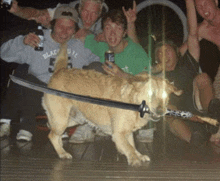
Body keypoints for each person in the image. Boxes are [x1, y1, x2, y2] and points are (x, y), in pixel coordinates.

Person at [0, 5, 100, 141]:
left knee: (94, 72)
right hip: (37, 95)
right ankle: (26, 126)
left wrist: (93, 39)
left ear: (76, 29)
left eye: (70, 28)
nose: (64, 32)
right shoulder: (38, 39)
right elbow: (4, 54)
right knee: (24, 74)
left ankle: (69, 125)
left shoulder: (80, 44)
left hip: (68, 98)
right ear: (52, 25)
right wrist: (22, 42)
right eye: (60, 26)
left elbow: (104, 60)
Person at [68, 9, 151, 143]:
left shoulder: (136, 52)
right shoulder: (101, 46)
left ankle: (144, 125)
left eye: (118, 29)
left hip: (131, 102)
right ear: (102, 32)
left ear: (125, 32)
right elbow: (78, 35)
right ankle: (88, 125)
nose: (112, 33)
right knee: (93, 68)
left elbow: (147, 83)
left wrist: (122, 74)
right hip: (111, 101)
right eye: (108, 28)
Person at [151, 0, 220, 156]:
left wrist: (189, 3)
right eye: (159, 53)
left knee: (203, 77)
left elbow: (193, 34)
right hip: (180, 118)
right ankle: (197, 141)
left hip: (200, 111)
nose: (164, 55)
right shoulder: (156, 76)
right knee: (168, 112)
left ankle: (214, 120)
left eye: (167, 51)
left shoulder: (187, 63)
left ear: (177, 52)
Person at [4, 0, 139, 43]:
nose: (88, 18)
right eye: (85, 11)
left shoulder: (109, 22)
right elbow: (38, 13)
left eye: (93, 14)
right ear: (79, 8)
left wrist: (131, 24)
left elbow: (132, 47)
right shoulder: (66, 11)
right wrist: (17, 10)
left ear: (100, 13)